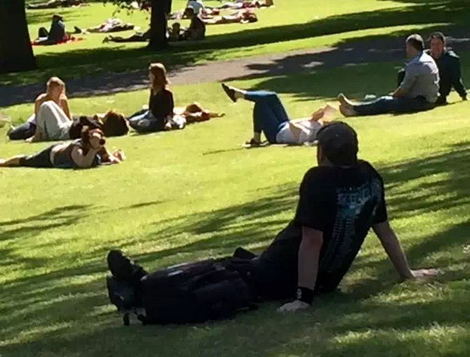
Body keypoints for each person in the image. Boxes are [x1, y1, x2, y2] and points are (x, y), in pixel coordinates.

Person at [108, 123, 439, 313]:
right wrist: (406, 273)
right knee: (228, 268)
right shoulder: (370, 177)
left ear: (322, 152)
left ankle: (140, 286)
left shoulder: (319, 179)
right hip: (314, 277)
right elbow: (384, 230)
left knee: (214, 274)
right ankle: (139, 282)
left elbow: (311, 241)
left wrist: (303, 298)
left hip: (278, 272)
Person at [339, 34, 439, 116]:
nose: (406, 50)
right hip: (429, 99)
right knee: (383, 100)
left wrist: (392, 96)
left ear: (411, 47)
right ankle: (355, 107)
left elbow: (404, 89)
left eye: (407, 47)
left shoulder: (416, 64)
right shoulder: (428, 59)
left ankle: (354, 109)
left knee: (384, 101)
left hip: (421, 102)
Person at [221, 85, 338, 147]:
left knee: (261, 103)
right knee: (272, 96)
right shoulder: (318, 125)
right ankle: (239, 94)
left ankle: (239, 94)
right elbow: (332, 107)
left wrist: (311, 119)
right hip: (283, 123)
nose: (328, 122)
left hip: (276, 134)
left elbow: (293, 125)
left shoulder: (309, 135)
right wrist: (315, 118)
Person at [0, 127, 124, 169]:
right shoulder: (77, 148)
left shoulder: (99, 145)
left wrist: (114, 157)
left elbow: (111, 159)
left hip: (61, 150)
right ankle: (3, 163)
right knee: (27, 160)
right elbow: (83, 164)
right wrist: (93, 150)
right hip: (51, 156)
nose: (99, 141)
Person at [128, 63, 181, 133]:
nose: (149, 76)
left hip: (159, 119)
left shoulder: (166, 93)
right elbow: (151, 107)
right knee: (132, 121)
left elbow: (168, 112)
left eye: (151, 74)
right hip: (150, 115)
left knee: (143, 124)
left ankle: (159, 126)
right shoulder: (153, 90)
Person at [427, 32, 466, 104]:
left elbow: (455, 80)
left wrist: (463, 95)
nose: (436, 47)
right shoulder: (425, 58)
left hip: (440, 94)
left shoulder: (451, 59)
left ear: (443, 44)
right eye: (433, 44)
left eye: (438, 44)